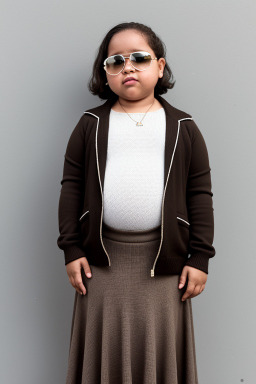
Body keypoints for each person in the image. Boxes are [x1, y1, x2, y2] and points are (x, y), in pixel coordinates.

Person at [57, 21, 215, 384]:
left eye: (139, 58)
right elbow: (71, 188)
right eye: (115, 61)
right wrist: (71, 249)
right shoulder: (90, 125)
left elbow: (199, 195)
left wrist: (200, 256)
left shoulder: (184, 127)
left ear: (159, 67)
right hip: (101, 265)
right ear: (106, 75)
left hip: (165, 267)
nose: (127, 66)